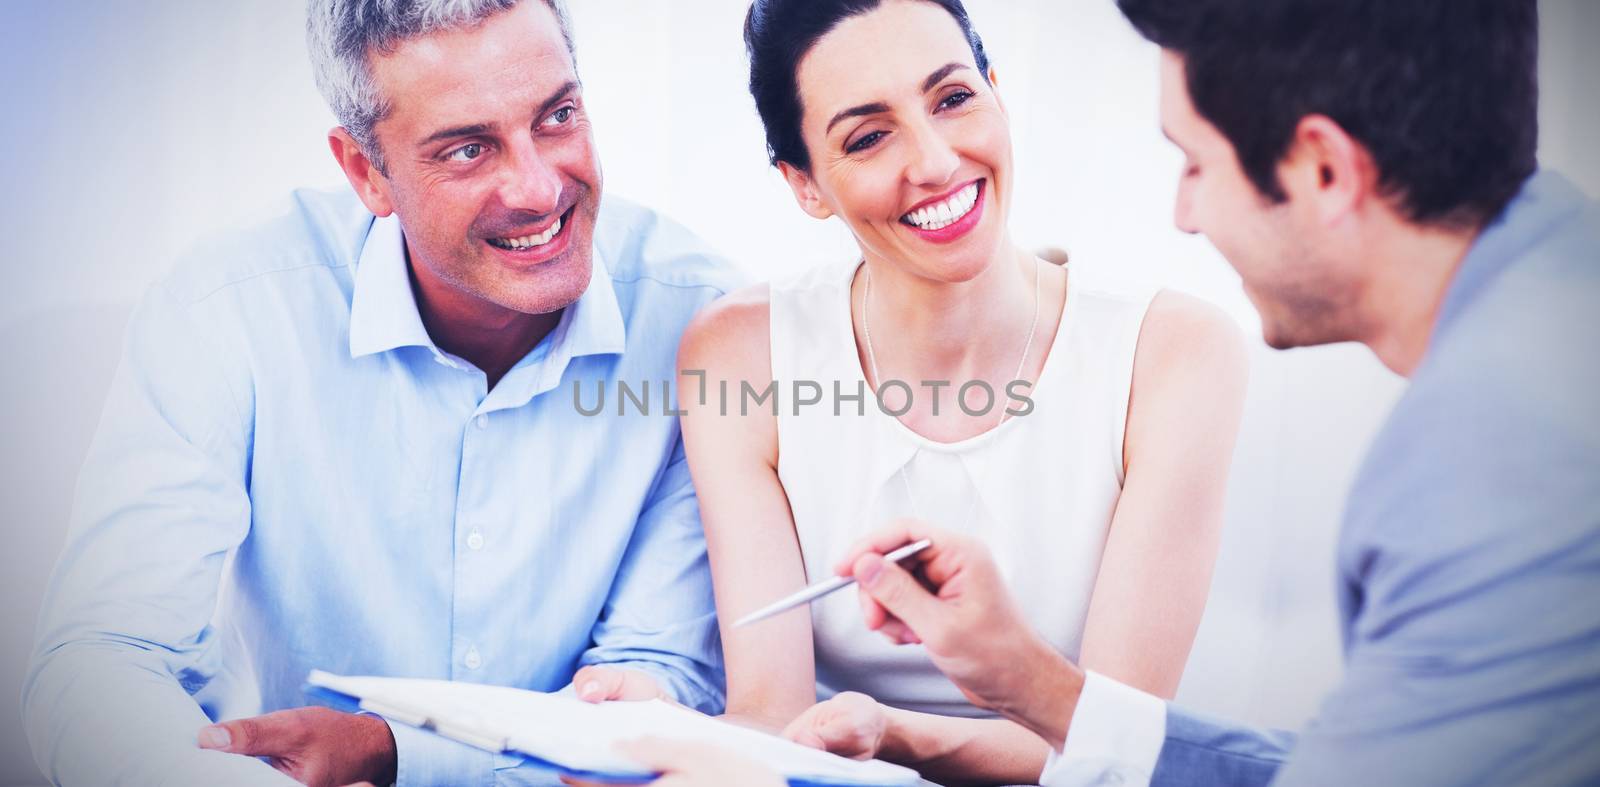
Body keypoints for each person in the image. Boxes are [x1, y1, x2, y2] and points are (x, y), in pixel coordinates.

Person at [788, 0, 1600, 785]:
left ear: (1324, 168)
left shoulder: (1501, 460)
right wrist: (1031, 683)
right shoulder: (1554, 300)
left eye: (1196, 163)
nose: (1185, 215)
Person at [22, 1, 740, 785]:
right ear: (367, 173)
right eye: (467, 149)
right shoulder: (230, 307)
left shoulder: (703, 324)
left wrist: (393, 751)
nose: (537, 188)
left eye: (558, 116)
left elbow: (658, 685)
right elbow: (103, 658)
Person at [578, 0, 1249, 784]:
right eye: (867, 136)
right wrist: (659, 729)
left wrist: (896, 732)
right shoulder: (738, 352)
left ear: (997, 89)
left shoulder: (1175, 353)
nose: (933, 162)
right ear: (805, 185)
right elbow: (769, 712)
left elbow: (1113, 741)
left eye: (955, 97)